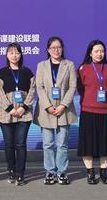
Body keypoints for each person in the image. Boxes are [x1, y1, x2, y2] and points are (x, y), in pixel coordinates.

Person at [33, 36, 78, 185]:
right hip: (46, 110)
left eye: (58, 47)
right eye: (53, 47)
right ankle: (50, 172)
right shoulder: (41, 65)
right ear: (48, 50)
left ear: (62, 48)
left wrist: (63, 105)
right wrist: (48, 106)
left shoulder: (69, 65)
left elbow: (72, 87)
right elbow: (39, 87)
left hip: (64, 109)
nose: (56, 50)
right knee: (47, 144)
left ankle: (62, 172)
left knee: (62, 144)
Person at [77, 39, 107, 185]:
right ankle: (90, 172)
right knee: (88, 144)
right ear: (90, 53)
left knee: (105, 144)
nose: (99, 54)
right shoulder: (83, 69)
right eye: (96, 51)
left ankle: (104, 172)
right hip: (88, 111)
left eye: (102, 51)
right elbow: (80, 89)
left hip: (106, 111)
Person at [0, 43, 36, 186]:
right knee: (9, 145)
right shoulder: (1, 73)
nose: (14, 56)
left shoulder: (27, 72)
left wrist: (23, 107)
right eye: (11, 53)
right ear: (6, 55)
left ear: (21, 55)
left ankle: (20, 174)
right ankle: (11, 170)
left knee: (20, 144)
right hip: (7, 114)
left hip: (24, 114)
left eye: (17, 53)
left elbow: (32, 91)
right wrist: (10, 109)